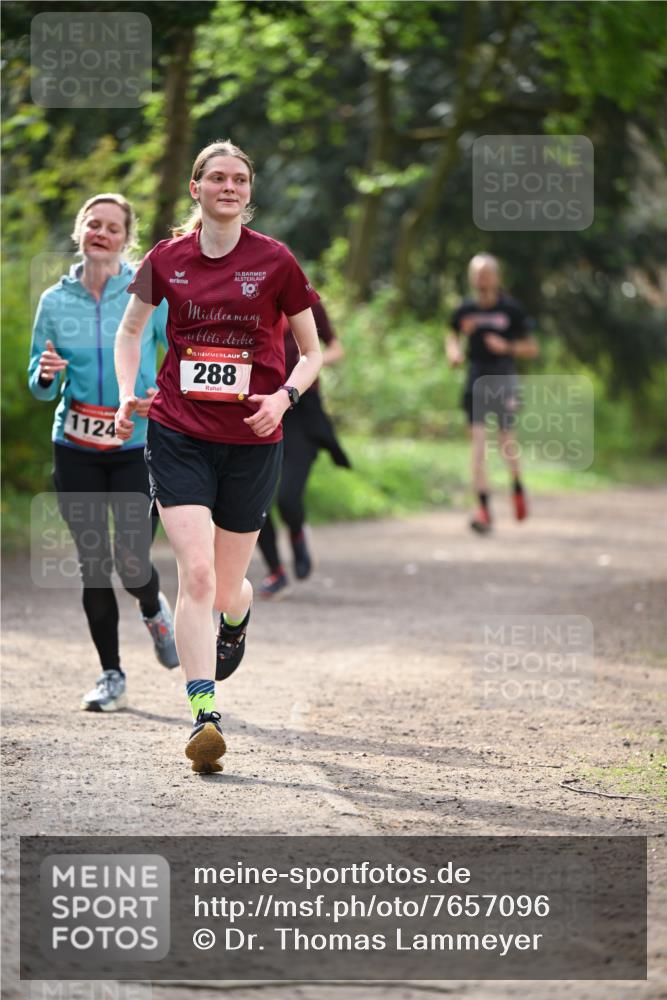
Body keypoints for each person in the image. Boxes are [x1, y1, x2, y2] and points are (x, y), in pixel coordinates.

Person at [113, 139, 322, 773]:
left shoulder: (276, 261)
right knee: (196, 576)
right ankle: (204, 714)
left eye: (239, 179)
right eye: (217, 178)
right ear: (197, 189)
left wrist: (284, 398)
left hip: (254, 440)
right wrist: (129, 393)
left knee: (228, 586)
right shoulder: (166, 258)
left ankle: (240, 612)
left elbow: (310, 354)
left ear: (248, 195)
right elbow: (129, 331)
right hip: (178, 430)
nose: (229, 186)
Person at [28, 193, 179, 713]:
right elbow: (39, 382)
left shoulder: (147, 291)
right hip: (75, 444)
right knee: (94, 563)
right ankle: (111, 674)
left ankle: (154, 608)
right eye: (94, 224)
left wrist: (163, 394)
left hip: (137, 442)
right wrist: (46, 375)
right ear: (80, 230)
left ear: (125, 238)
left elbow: (174, 357)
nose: (102, 233)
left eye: (113, 227)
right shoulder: (54, 301)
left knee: (132, 560)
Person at [257, 300, 349, 599]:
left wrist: (311, 360)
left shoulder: (307, 304)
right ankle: (275, 571)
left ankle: (296, 532)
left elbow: (335, 348)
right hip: (259, 406)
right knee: (252, 500)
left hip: (301, 411)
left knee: (287, 497)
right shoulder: (245, 300)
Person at [446, 253, 540, 533]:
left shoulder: (511, 310)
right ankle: (484, 509)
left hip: (504, 379)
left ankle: (517, 486)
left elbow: (533, 348)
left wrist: (506, 347)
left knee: (505, 442)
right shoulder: (464, 310)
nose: (481, 279)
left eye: (486, 273)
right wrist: (453, 351)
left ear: (497, 277)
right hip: (476, 378)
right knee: (477, 445)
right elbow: (451, 334)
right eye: (477, 273)